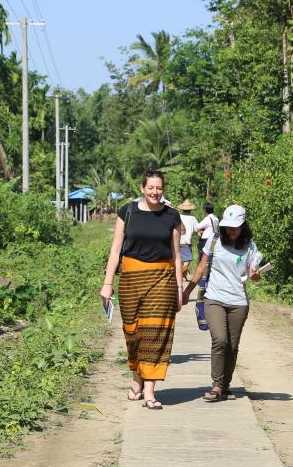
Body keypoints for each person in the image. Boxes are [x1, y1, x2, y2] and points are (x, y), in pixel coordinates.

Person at [102, 170, 184, 409]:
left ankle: (150, 391)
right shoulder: (128, 211)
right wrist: (107, 284)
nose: (155, 192)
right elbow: (116, 250)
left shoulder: (172, 216)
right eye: (151, 188)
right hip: (130, 279)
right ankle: (137, 377)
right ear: (142, 188)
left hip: (163, 279)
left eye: (159, 188)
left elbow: (177, 255)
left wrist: (179, 288)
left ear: (163, 190)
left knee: (156, 332)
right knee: (133, 332)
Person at [181, 204, 262, 402]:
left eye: (236, 227)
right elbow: (200, 268)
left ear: (243, 226)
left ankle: (225, 387)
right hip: (214, 298)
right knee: (220, 340)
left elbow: (254, 274)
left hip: (238, 302)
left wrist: (255, 275)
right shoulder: (214, 240)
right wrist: (186, 292)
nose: (232, 231)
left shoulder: (249, 246)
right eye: (229, 226)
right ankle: (216, 385)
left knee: (232, 346)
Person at [176, 200, 198, 280]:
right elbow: (196, 229)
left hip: (177, 241)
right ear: (190, 209)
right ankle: (182, 272)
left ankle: (182, 275)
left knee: (179, 259)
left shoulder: (178, 216)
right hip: (186, 242)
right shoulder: (193, 218)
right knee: (188, 259)